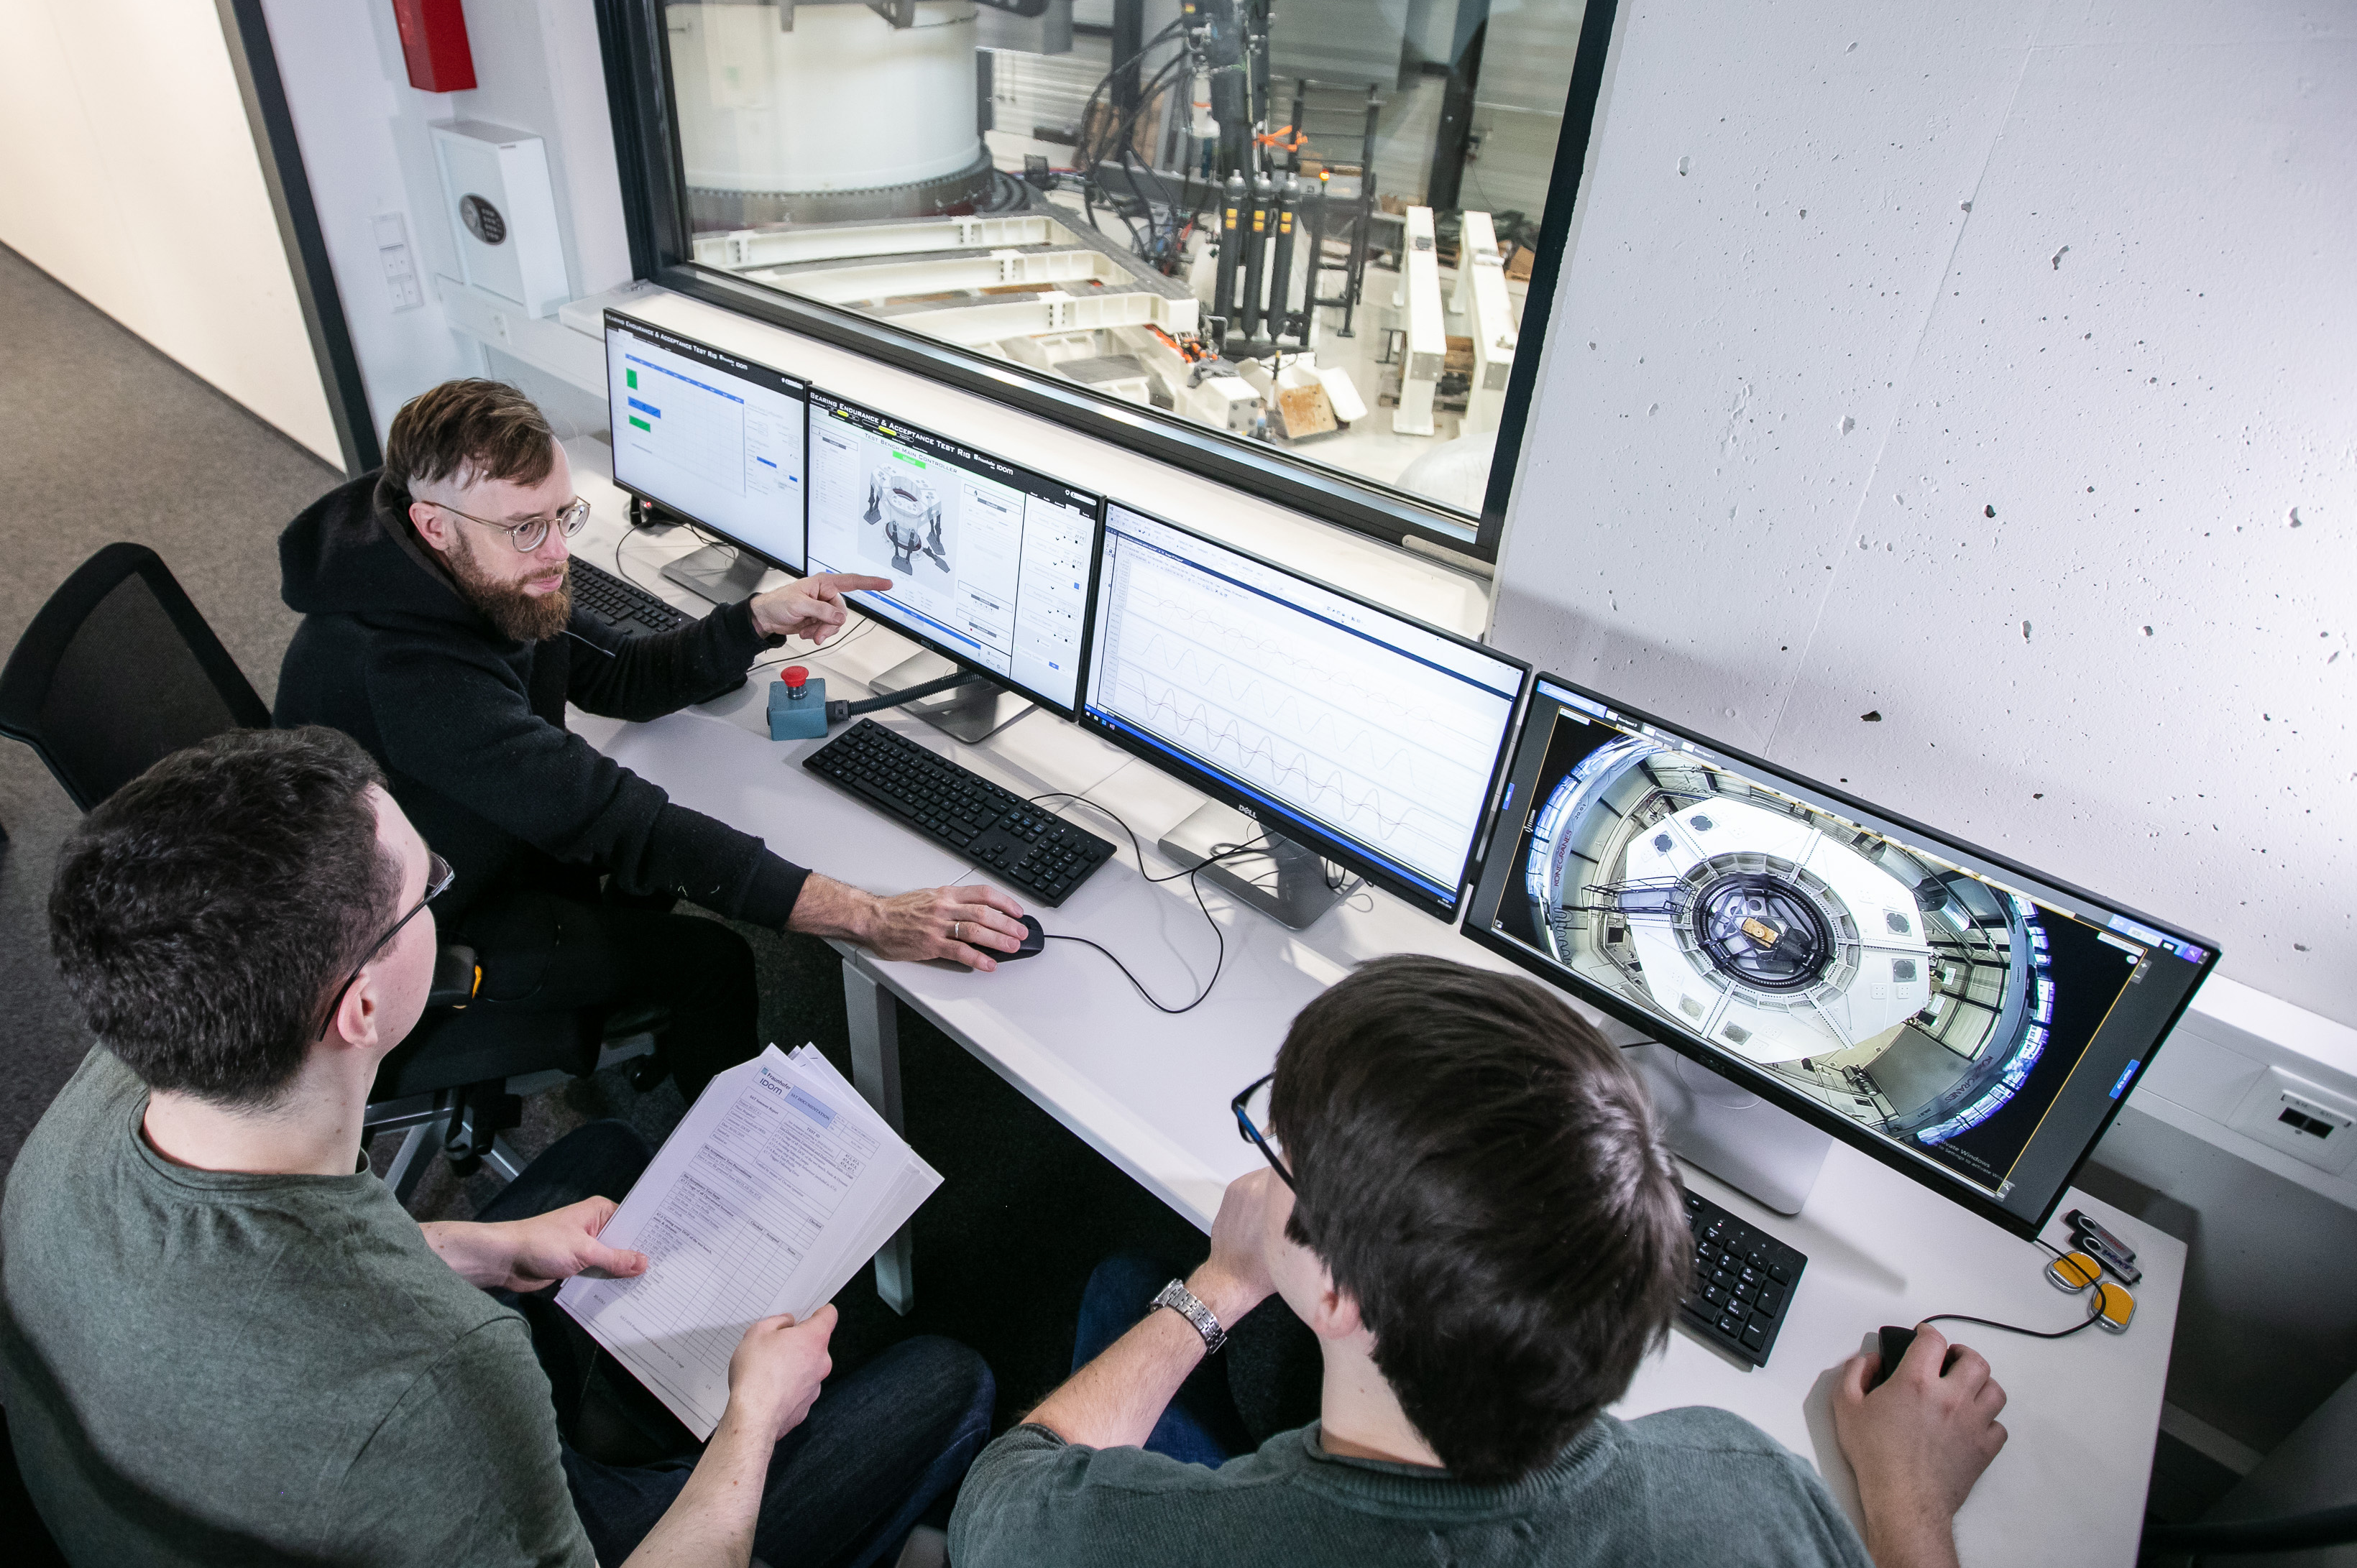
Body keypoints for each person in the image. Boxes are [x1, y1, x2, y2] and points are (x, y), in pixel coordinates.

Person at [1, 727, 994, 1567]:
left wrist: (479, 1249)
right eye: (426, 887)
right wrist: (754, 1419)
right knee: (951, 1380)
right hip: (455, 1491)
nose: (444, 891)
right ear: (362, 1007)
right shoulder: (444, 1379)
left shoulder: (123, 1075)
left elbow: (255, 1276)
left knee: (606, 1156)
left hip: (210, 1458)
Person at [948, 954, 2009, 1568]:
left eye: (1283, 1156)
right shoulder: (1746, 1483)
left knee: (1123, 1290)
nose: (1269, 1170)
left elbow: (999, 1498)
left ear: (1335, 1287)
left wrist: (1219, 1284)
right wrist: (1909, 1499)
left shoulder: (1141, 1541)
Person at [275, 378, 1027, 1098]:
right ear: (434, 525)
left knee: (665, 862)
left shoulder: (477, 566)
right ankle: (733, 1167)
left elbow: (620, 675)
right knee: (711, 961)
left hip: (485, 839)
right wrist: (870, 918)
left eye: (563, 516)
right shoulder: (406, 671)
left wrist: (755, 620)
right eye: (526, 527)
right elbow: (619, 821)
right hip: (424, 931)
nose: (556, 553)